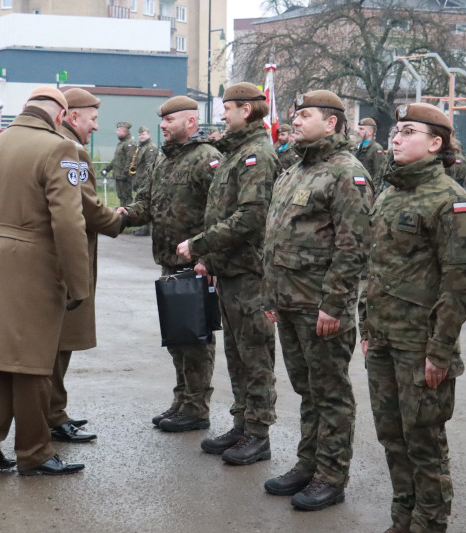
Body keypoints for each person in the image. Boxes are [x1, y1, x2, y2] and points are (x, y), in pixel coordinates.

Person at [356, 103, 466, 533]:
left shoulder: (451, 200)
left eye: (408, 131)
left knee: (424, 441)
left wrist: (440, 350)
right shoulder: (390, 193)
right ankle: (402, 520)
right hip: (385, 338)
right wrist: (367, 326)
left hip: (422, 344)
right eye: (395, 130)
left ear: (436, 143)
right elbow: (376, 266)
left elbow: (460, 283)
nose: (395, 137)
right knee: (393, 436)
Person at [0, 86, 91, 475]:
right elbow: (69, 222)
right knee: (34, 362)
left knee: (3, 360)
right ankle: (34, 452)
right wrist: (79, 283)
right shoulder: (58, 149)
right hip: (32, 260)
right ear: (60, 115)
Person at [262, 90, 371, 511]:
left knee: (331, 393)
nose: (296, 121)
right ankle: (307, 463)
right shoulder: (294, 170)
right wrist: (272, 295)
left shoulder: (346, 173)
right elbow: (277, 238)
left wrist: (335, 303)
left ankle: (331, 474)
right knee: (308, 390)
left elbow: (354, 246)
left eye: (306, 115)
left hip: (320, 305)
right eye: (295, 114)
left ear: (332, 123)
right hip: (289, 301)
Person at [175, 82, 279, 466]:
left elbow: (251, 218)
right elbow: (222, 211)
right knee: (237, 354)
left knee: (256, 356)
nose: (222, 115)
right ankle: (242, 423)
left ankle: (259, 432)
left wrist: (200, 244)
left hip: (251, 273)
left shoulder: (257, 155)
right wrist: (212, 260)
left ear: (247, 110)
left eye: (229, 108)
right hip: (231, 270)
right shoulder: (237, 153)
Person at [120, 97, 221, 433]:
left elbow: (220, 213)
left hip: (195, 266)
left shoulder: (207, 159)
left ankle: (196, 407)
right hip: (169, 262)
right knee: (178, 339)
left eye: (169, 120)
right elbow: (146, 204)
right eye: (162, 121)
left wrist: (208, 259)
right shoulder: (164, 160)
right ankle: (182, 400)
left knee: (196, 340)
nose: (163, 126)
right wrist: (121, 216)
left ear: (190, 122)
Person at [49, 87, 125, 443]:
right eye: (92, 119)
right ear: (72, 116)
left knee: (57, 343)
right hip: (67, 260)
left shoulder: (55, 142)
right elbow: (86, 206)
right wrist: (117, 220)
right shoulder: (71, 150)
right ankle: (52, 415)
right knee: (59, 343)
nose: (96, 127)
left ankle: (55, 410)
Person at [102, 121, 137, 207]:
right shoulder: (121, 143)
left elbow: (130, 160)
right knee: (121, 196)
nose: (116, 132)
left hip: (124, 176)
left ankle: (128, 214)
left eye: (118, 130)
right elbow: (116, 160)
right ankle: (123, 212)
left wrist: (125, 174)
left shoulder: (130, 143)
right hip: (119, 175)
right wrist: (107, 169)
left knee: (126, 197)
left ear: (124, 131)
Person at [354, 117, 386, 189]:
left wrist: (373, 190)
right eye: (358, 128)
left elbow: (379, 173)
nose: (358, 131)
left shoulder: (376, 149)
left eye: (361, 129)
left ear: (370, 132)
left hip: (367, 189)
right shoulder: (357, 147)